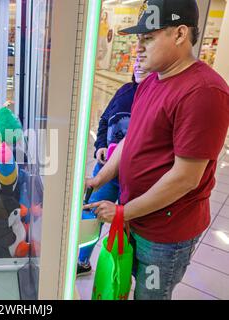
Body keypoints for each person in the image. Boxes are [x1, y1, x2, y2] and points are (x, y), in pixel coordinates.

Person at [84, 0, 229, 300]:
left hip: (166, 235)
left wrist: (122, 211)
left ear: (179, 34)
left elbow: (185, 178)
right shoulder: (152, 81)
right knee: (125, 282)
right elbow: (130, 139)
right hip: (135, 217)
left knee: (151, 295)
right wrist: (100, 178)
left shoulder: (204, 93)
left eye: (148, 38)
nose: (139, 47)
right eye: (138, 39)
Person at [77, 58, 150, 276]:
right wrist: (100, 146)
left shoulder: (156, 99)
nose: (138, 64)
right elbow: (104, 121)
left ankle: (123, 270)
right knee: (92, 215)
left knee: (130, 225)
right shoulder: (124, 91)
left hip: (137, 177)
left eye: (144, 61)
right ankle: (82, 261)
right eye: (136, 61)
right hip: (106, 170)